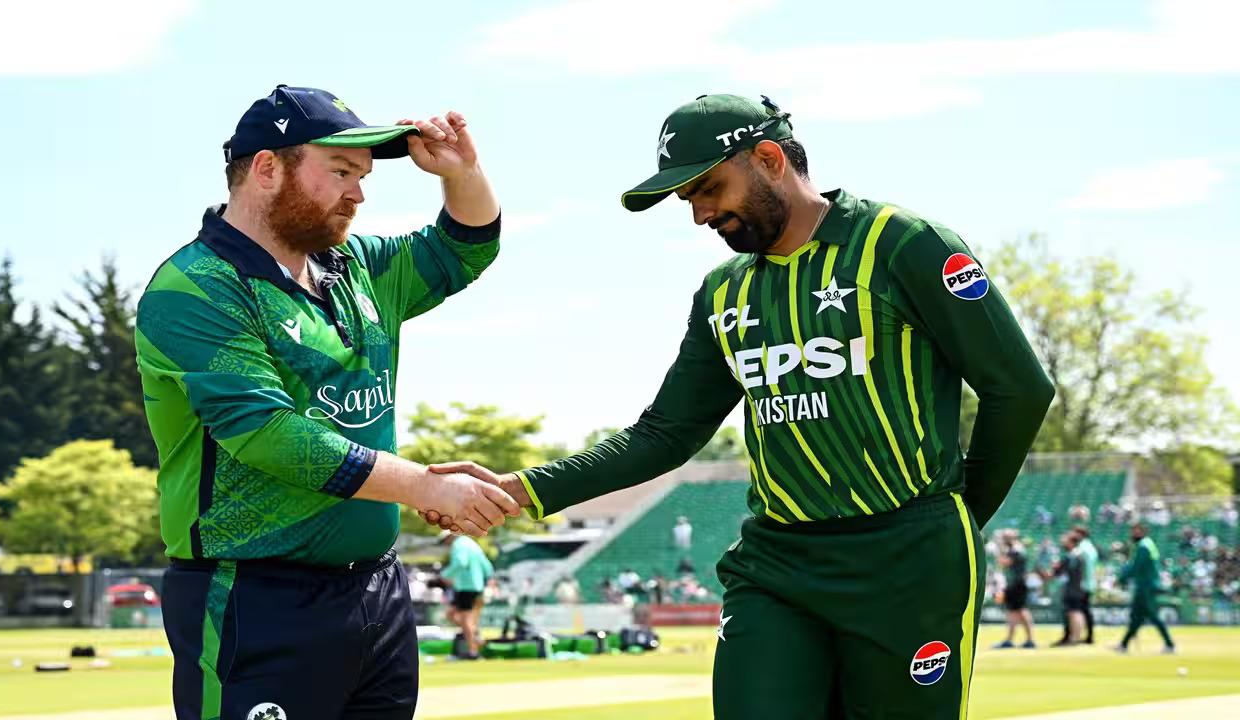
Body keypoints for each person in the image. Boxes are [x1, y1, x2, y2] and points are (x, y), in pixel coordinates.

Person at [425, 93, 1053, 718]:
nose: (700, 213)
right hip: (778, 566)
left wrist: (958, 515)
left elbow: (1020, 388)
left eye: (709, 189)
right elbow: (666, 433)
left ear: (770, 159)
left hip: (910, 560)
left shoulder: (901, 245)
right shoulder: (722, 292)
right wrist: (521, 489)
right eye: (688, 199)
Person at [138, 85, 518, 720]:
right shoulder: (195, 287)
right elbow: (269, 434)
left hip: (378, 591)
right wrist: (424, 486)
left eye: (363, 176)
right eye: (341, 172)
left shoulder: (356, 267)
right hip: (252, 596)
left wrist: (463, 173)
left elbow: (467, 246)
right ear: (266, 168)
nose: (358, 194)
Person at [1116, 522, 1176, 654]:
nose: (1132, 534)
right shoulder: (1147, 544)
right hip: (1145, 585)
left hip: (1145, 586)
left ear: (1143, 532)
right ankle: (1123, 645)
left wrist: (1122, 578)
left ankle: (1170, 645)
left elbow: (1137, 566)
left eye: (1135, 531)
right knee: (1137, 617)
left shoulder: (1143, 546)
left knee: (1152, 616)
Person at [440, 531, 494, 659]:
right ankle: (476, 637)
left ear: (450, 536)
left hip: (466, 586)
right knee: (453, 615)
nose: (445, 543)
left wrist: (444, 575)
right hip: (477, 586)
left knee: (465, 619)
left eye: (445, 540)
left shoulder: (459, 545)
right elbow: (486, 565)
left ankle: (473, 651)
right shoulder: (471, 543)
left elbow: (460, 562)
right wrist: (489, 579)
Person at [995, 532, 1037, 649]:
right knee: (1020, 611)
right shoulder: (1017, 549)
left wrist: (1000, 549)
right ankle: (1028, 639)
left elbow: (1003, 562)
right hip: (1017, 584)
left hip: (1016, 585)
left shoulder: (1015, 550)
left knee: (1015, 611)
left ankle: (1010, 640)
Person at [1073, 526, 1098, 643]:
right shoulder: (1090, 546)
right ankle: (1089, 636)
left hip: (1083, 583)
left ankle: (1088, 636)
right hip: (1090, 582)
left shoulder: (1082, 547)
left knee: (1083, 610)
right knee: (1086, 610)